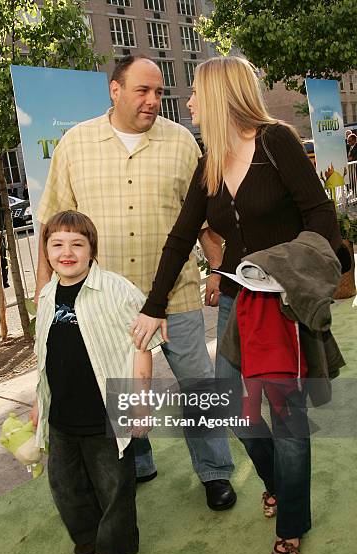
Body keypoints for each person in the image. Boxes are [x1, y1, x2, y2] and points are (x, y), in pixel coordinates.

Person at [132, 56, 348, 554]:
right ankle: (276, 481)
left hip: (284, 302)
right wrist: (153, 306)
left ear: (219, 96)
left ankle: (293, 519)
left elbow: (321, 215)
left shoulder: (276, 143)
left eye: (194, 95)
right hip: (235, 299)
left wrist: (290, 267)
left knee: (286, 414)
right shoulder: (209, 161)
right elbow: (182, 236)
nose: (186, 104)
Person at [34, 55, 236, 511]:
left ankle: (216, 472)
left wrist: (219, 272)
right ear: (115, 90)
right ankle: (138, 458)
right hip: (102, 302)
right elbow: (51, 227)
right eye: (143, 91)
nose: (153, 100)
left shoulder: (182, 142)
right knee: (120, 383)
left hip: (175, 296)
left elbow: (203, 221)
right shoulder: (75, 144)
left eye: (159, 92)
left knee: (198, 386)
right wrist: (44, 294)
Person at [30, 210, 161, 554]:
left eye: (77, 244)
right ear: (46, 250)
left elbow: (142, 349)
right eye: (56, 244)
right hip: (62, 414)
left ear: (92, 249)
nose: (66, 252)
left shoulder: (118, 290)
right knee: (65, 484)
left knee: (113, 485)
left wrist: (140, 402)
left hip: (105, 411)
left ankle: (116, 544)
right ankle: (88, 534)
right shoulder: (46, 295)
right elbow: (42, 355)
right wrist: (37, 403)